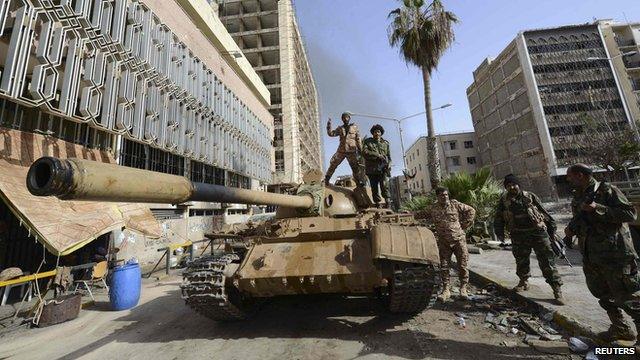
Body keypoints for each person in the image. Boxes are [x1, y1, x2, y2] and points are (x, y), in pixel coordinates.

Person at [564, 163, 640, 345]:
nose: (568, 180)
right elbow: (583, 220)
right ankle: (621, 328)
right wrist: (571, 230)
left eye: (570, 176)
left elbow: (630, 214)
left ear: (580, 175)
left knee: (627, 296)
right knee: (603, 295)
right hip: (592, 256)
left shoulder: (606, 190)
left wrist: (598, 207)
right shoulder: (579, 195)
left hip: (615, 255)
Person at [494, 174, 564, 305]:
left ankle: (556, 289)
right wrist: (499, 233)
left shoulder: (529, 196)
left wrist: (552, 231)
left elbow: (545, 213)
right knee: (521, 261)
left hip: (537, 233)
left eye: (514, 184)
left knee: (547, 261)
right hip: (518, 235)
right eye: (508, 186)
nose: (512, 187)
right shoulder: (504, 200)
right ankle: (523, 281)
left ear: (518, 185)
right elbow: (498, 218)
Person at [422, 187, 475, 300]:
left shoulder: (455, 205)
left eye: (446, 195)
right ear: (437, 197)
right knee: (444, 266)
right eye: (442, 195)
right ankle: (446, 290)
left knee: (462, 265)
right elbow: (420, 214)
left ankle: (463, 288)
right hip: (444, 242)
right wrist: (409, 213)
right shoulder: (433, 208)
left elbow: (471, 210)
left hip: (458, 240)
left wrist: (465, 224)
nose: (445, 197)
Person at [325, 112, 366, 186]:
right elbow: (331, 134)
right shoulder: (340, 128)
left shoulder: (354, 127)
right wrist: (329, 125)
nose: (345, 119)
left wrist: (361, 150)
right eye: (343, 117)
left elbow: (358, 139)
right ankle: (327, 179)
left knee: (355, 167)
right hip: (341, 150)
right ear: (342, 119)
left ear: (349, 118)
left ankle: (358, 182)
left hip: (352, 151)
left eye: (346, 117)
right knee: (333, 164)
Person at [362, 124, 391, 207]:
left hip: (383, 168)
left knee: (385, 185)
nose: (377, 133)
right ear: (372, 133)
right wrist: (377, 155)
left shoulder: (386, 143)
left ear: (381, 133)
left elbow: (389, 156)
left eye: (378, 132)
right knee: (374, 188)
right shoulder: (368, 142)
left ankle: (388, 203)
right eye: (375, 132)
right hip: (372, 169)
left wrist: (389, 163)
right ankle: (378, 204)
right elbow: (364, 152)